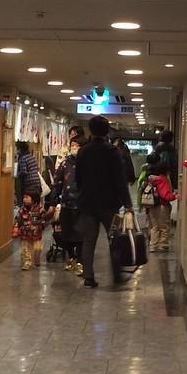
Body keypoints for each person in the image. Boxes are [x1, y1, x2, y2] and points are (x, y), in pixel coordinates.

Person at [75, 115, 133, 288]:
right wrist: (127, 203)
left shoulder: (83, 151)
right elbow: (119, 180)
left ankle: (88, 277)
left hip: (87, 203)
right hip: (109, 204)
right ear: (107, 130)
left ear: (90, 131)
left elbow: (78, 178)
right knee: (114, 239)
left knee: (89, 241)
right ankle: (117, 275)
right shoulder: (112, 152)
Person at [50, 135, 84, 275]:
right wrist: (53, 202)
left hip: (82, 205)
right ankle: (71, 259)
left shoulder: (88, 163)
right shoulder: (65, 164)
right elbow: (57, 183)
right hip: (66, 204)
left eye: (77, 145)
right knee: (67, 234)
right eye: (73, 145)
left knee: (81, 235)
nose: (74, 148)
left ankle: (80, 260)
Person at [137, 152, 178, 253]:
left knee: (154, 226)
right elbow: (165, 195)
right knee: (164, 227)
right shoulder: (163, 180)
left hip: (151, 206)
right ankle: (162, 245)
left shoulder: (151, 179)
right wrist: (174, 196)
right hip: (162, 206)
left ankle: (153, 245)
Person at [13, 192, 46, 271]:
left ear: (33, 199)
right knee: (25, 248)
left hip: (36, 233)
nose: (24, 199)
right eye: (24, 197)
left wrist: (41, 226)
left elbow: (43, 219)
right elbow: (18, 219)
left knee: (37, 249)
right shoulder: (22, 209)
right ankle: (27, 262)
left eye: (27, 197)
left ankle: (36, 259)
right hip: (25, 233)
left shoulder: (39, 209)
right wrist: (16, 227)